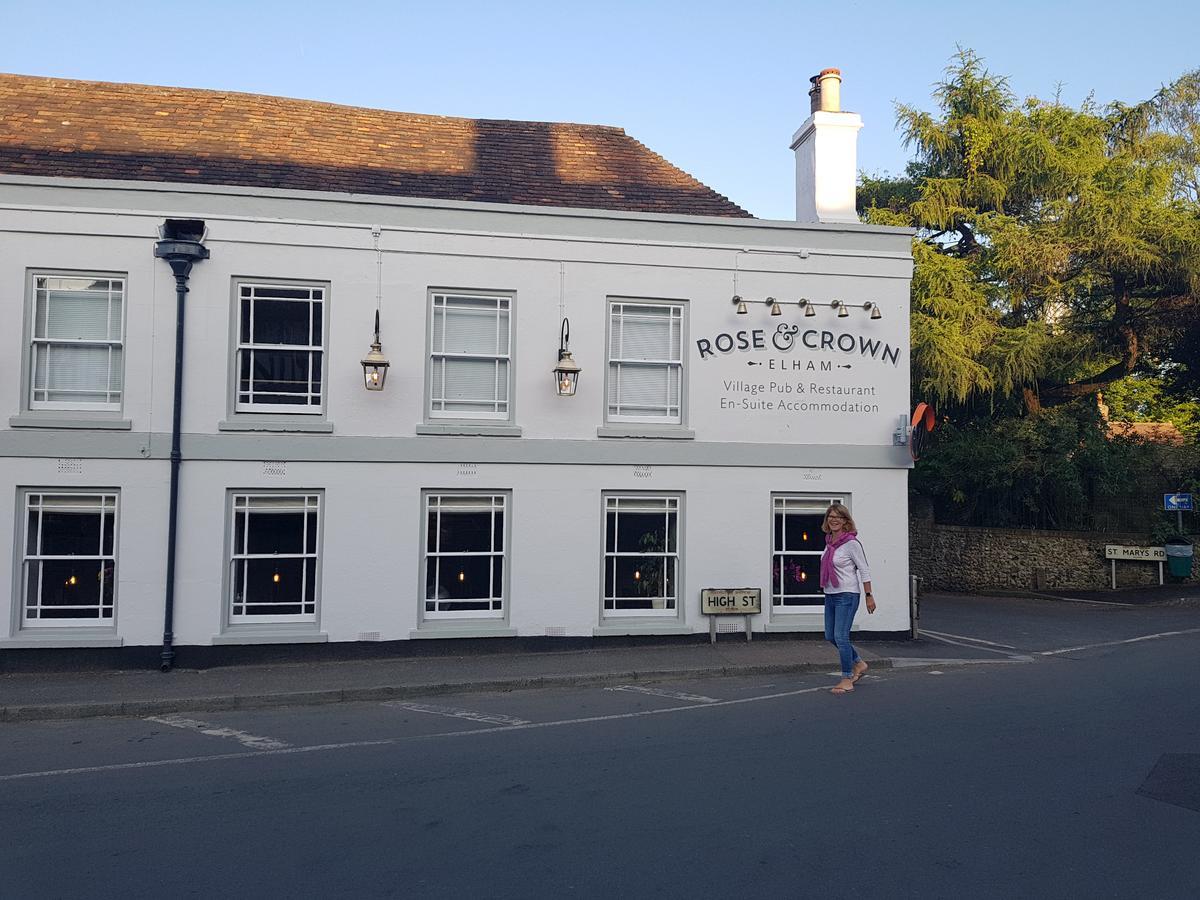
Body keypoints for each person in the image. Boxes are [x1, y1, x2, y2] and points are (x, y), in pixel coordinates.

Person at [820, 503, 875, 694]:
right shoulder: (829, 542)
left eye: (838, 517)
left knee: (841, 637)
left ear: (845, 521)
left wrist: (869, 595)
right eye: (830, 517)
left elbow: (864, 569)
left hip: (847, 594)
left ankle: (846, 678)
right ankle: (859, 663)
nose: (833, 520)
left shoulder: (851, 543)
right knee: (830, 636)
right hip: (831, 594)